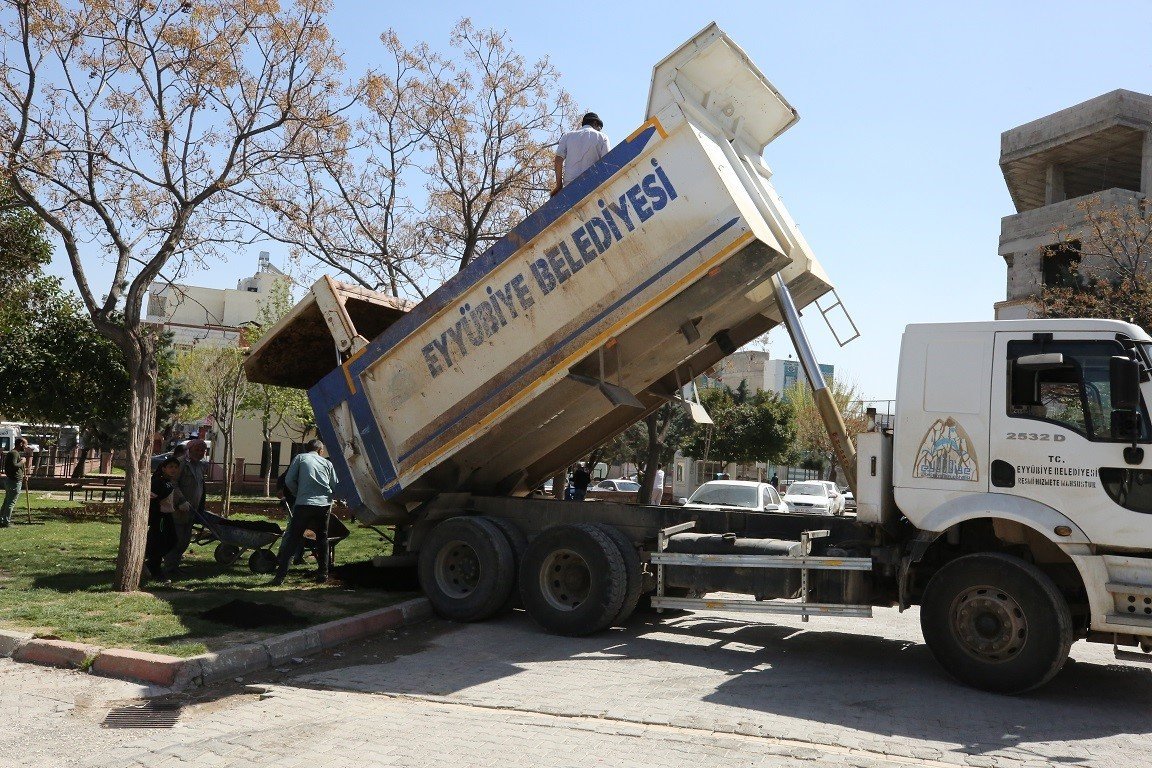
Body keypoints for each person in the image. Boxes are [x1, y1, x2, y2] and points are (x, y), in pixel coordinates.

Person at [271, 439, 338, 586]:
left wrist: (298, 494)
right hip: (323, 505)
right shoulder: (327, 463)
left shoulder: (300, 458)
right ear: (321, 451)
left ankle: (280, 577)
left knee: (294, 538)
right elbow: (334, 484)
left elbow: (288, 480)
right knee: (322, 538)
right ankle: (323, 573)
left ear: (307, 449)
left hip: (303, 504)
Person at [164, 438, 207, 575]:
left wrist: (200, 506)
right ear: (189, 450)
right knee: (177, 540)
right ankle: (169, 568)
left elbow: (201, 487)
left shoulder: (199, 466)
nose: (200, 452)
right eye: (197, 449)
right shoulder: (181, 463)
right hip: (178, 509)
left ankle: (174, 566)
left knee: (184, 541)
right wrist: (181, 500)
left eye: (202, 450)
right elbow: (172, 482)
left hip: (192, 510)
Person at [552, 112, 609, 196]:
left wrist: (559, 186)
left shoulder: (567, 136)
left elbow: (558, 161)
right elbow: (607, 163)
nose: (599, 130)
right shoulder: (602, 137)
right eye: (599, 128)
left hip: (570, 188)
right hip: (592, 186)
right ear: (595, 123)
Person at [145, 457, 181, 581]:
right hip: (160, 517)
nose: (173, 469)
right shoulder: (158, 482)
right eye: (170, 467)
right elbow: (152, 499)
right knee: (160, 542)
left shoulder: (168, 482)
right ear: (164, 468)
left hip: (167, 515)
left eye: (176, 467)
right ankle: (154, 567)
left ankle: (151, 562)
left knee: (172, 540)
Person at [1, 437, 31, 527]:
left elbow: (15, 468)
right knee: (11, 503)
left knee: (7, 502)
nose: (26, 447)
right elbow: (14, 466)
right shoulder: (14, 453)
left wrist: (23, 477)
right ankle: (6, 522)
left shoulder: (14, 453)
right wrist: (22, 462)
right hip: (13, 481)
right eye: (25, 444)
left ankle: (2, 519)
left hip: (12, 480)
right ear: (21, 444)